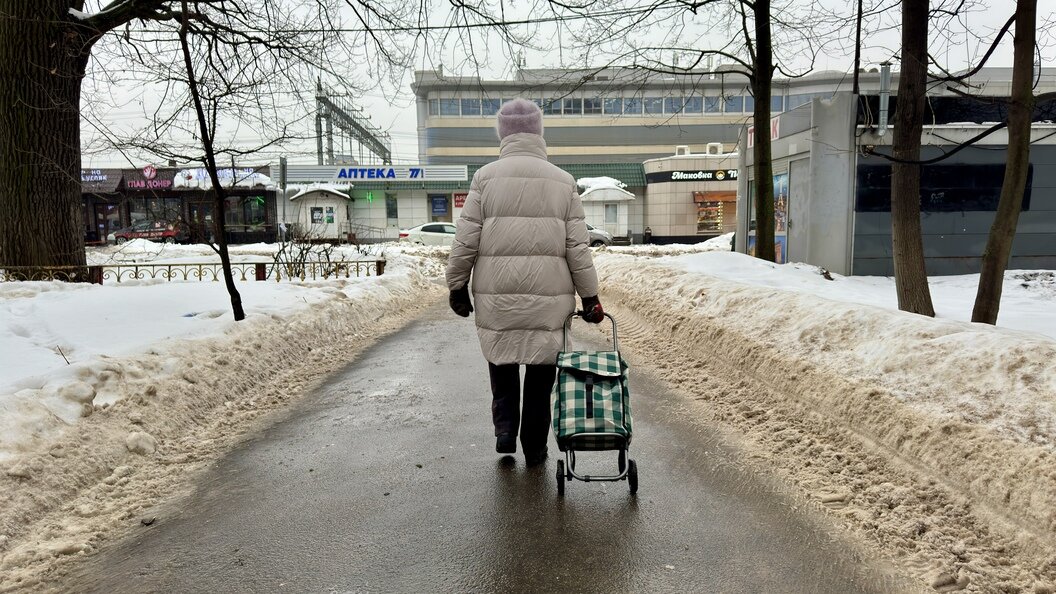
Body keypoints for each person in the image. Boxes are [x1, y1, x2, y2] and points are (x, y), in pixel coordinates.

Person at [445, 98, 604, 467]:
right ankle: (534, 444)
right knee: (540, 373)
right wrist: (590, 296)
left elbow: (465, 238)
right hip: (549, 300)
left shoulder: (484, 178)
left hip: (497, 296)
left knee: (501, 362)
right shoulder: (563, 182)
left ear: (503, 134)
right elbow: (578, 247)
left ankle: (505, 430)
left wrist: (457, 284)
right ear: (538, 132)